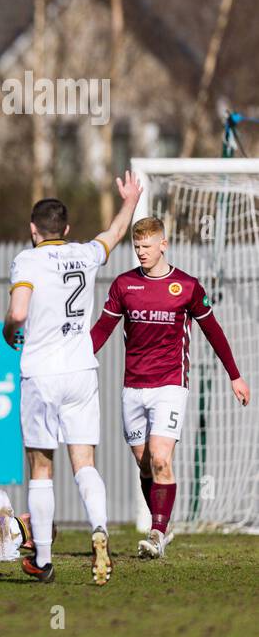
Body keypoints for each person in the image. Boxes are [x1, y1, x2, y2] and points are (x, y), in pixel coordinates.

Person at [3, 171, 141, 584]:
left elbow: (19, 313)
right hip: (82, 370)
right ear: (65, 229)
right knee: (85, 464)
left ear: (33, 229)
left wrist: (8, 332)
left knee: (41, 468)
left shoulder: (27, 260)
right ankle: (99, 529)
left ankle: (43, 559)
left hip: (41, 374)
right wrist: (130, 200)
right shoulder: (85, 253)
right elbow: (114, 233)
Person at [90, 216, 250, 558]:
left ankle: (158, 532)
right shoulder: (124, 285)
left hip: (170, 384)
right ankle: (162, 523)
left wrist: (234, 374)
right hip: (133, 386)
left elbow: (213, 331)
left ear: (164, 245)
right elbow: (101, 330)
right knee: (145, 464)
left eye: (147, 246)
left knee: (162, 459)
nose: (142, 253)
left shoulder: (187, 287)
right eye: (137, 247)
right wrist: (73, 361)